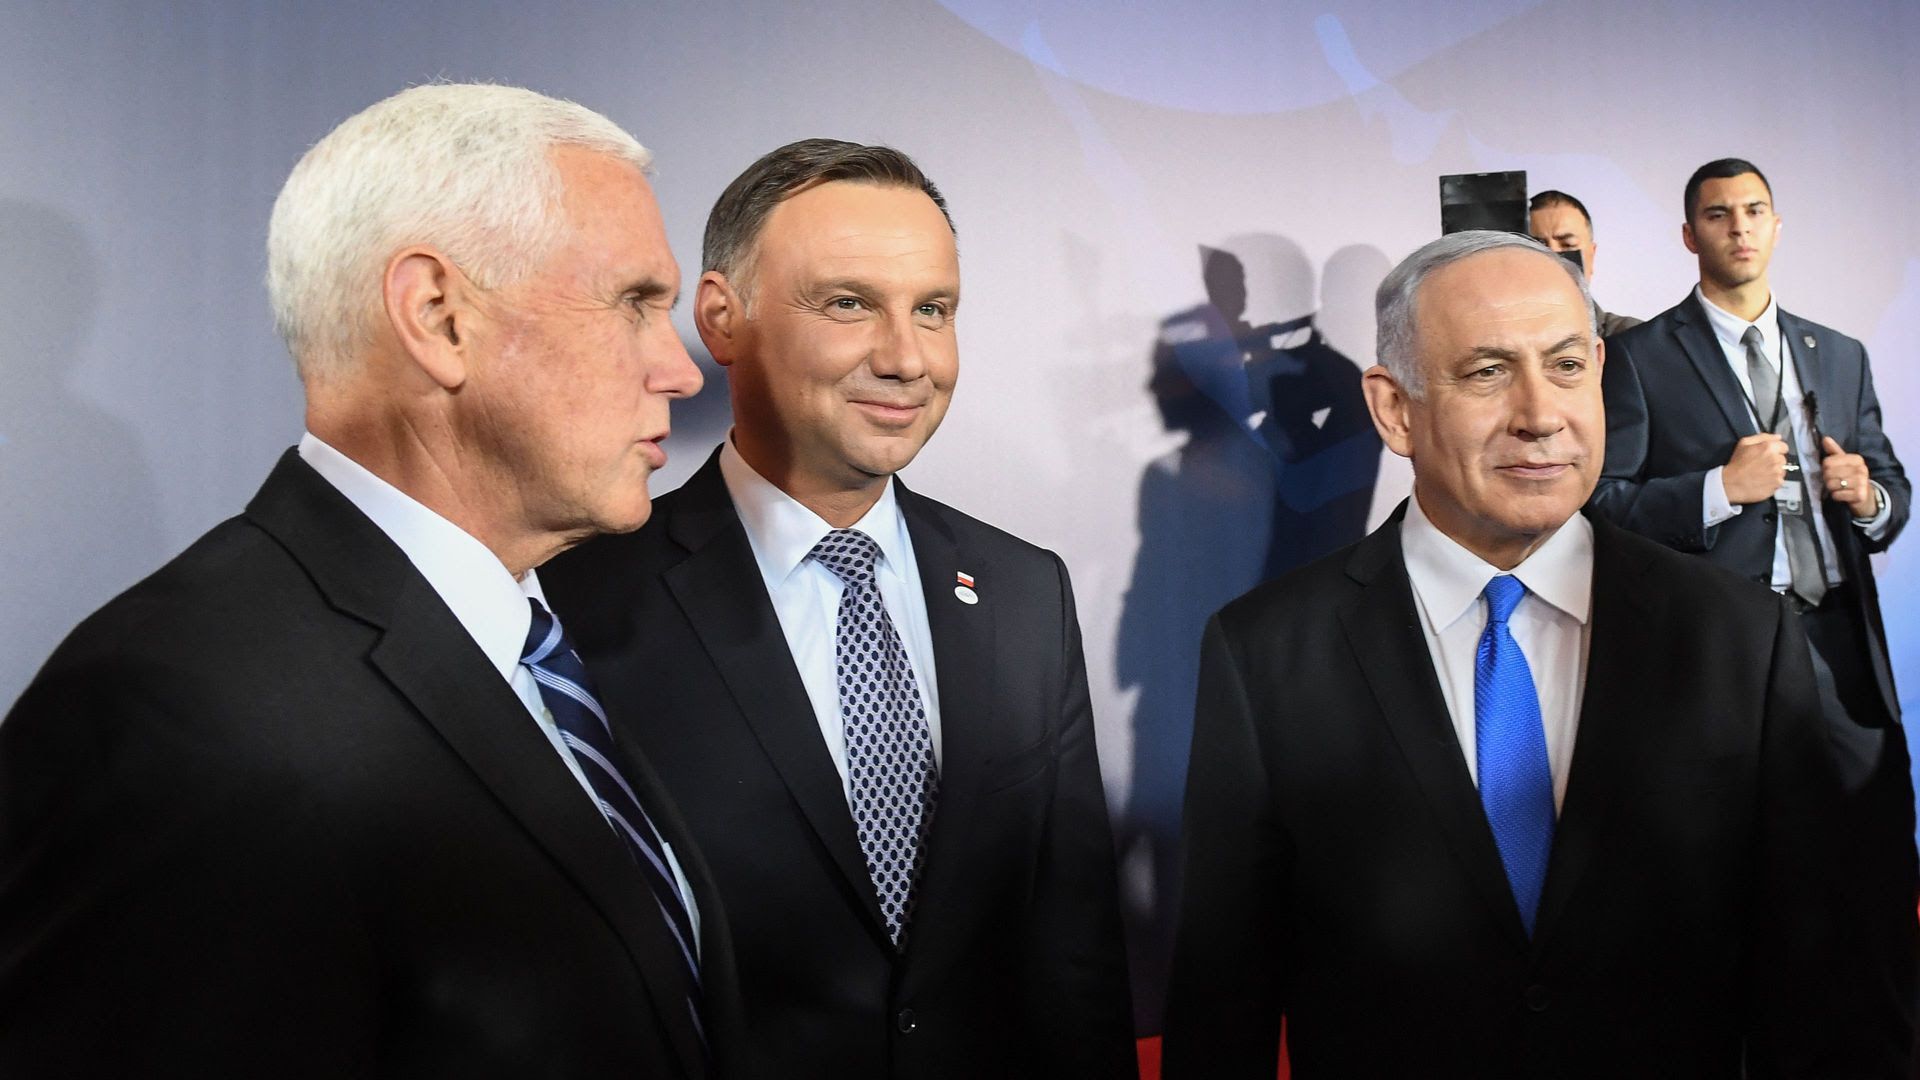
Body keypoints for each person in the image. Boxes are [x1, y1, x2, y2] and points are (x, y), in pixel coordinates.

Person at [0, 83, 733, 1077]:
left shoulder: (542, 645)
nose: (681, 372)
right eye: (634, 304)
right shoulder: (177, 712)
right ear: (438, 316)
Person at [1164, 230, 1893, 1077]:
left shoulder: (1738, 636)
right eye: (1486, 372)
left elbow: (1821, 974)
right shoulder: (1266, 655)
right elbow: (1224, 1001)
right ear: (1395, 409)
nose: (1541, 414)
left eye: (1568, 366)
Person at [541, 139, 1135, 1079]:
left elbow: (1075, 952)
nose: (906, 358)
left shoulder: (1024, 590)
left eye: (933, 310)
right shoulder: (576, 599)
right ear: (723, 319)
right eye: (850, 303)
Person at [1591, 156, 1917, 1063]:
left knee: (1865, 864)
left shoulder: (1837, 352)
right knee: (1737, 873)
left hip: (1837, 645)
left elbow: (1891, 484)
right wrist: (1713, 490)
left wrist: (1869, 496)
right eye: (1718, 214)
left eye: (1754, 210)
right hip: (1717, 656)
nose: (1739, 226)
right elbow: (1602, 505)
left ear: (1776, 226)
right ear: (1688, 235)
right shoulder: (1643, 358)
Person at [1528, 189, 1641, 337]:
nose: (1553, 257)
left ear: (1592, 254)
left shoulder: (1632, 337)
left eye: (1568, 245)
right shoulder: (1496, 338)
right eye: (1538, 246)